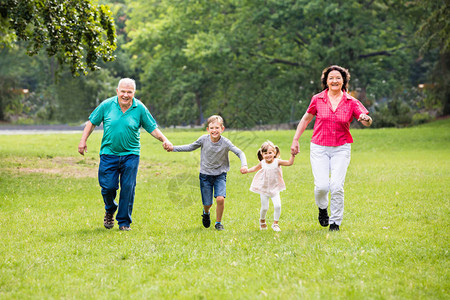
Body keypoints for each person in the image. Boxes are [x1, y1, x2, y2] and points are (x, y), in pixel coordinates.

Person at [78, 78, 172, 231]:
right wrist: (83, 141)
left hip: (131, 154)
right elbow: (92, 122)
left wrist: (165, 139)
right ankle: (110, 208)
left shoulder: (139, 108)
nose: (126, 95)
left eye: (129, 92)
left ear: (134, 93)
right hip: (109, 154)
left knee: (128, 187)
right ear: (117, 91)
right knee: (108, 187)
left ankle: (124, 223)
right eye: (123, 91)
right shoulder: (107, 105)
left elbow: (152, 127)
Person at [291, 65, 372, 231]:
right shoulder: (318, 99)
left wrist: (366, 119)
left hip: (341, 148)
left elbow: (366, 120)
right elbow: (305, 119)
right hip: (319, 147)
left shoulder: (351, 102)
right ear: (326, 81)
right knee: (321, 186)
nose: (335, 81)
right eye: (331, 78)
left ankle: (335, 223)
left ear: (344, 81)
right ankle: (322, 209)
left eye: (338, 78)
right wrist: (295, 140)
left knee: (336, 186)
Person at [166, 115, 247, 231]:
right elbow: (190, 147)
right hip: (205, 175)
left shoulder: (225, 142)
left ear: (222, 129)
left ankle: (218, 223)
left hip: (220, 175)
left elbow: (240, 152)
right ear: (208, 129)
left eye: (217, 128)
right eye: (212, 128)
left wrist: (244, 164)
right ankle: (206, 212)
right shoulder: (203, 140)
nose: (214, 130)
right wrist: (173, 148)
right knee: (207, 203)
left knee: (220, 199)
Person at [243, 141, 295, 232]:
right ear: (262, 154)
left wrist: (293, 155)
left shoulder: (277, 162)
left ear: (274, 153)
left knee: (278, 206)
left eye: (270, 153)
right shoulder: (262, 163)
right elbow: (254, 168)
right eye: (265, 153)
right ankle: (262, 221)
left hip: (275, 189)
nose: (268, 155)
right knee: (265, 207)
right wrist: (246, 170)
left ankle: (275, 224)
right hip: (264, 189)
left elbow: (289, 163)